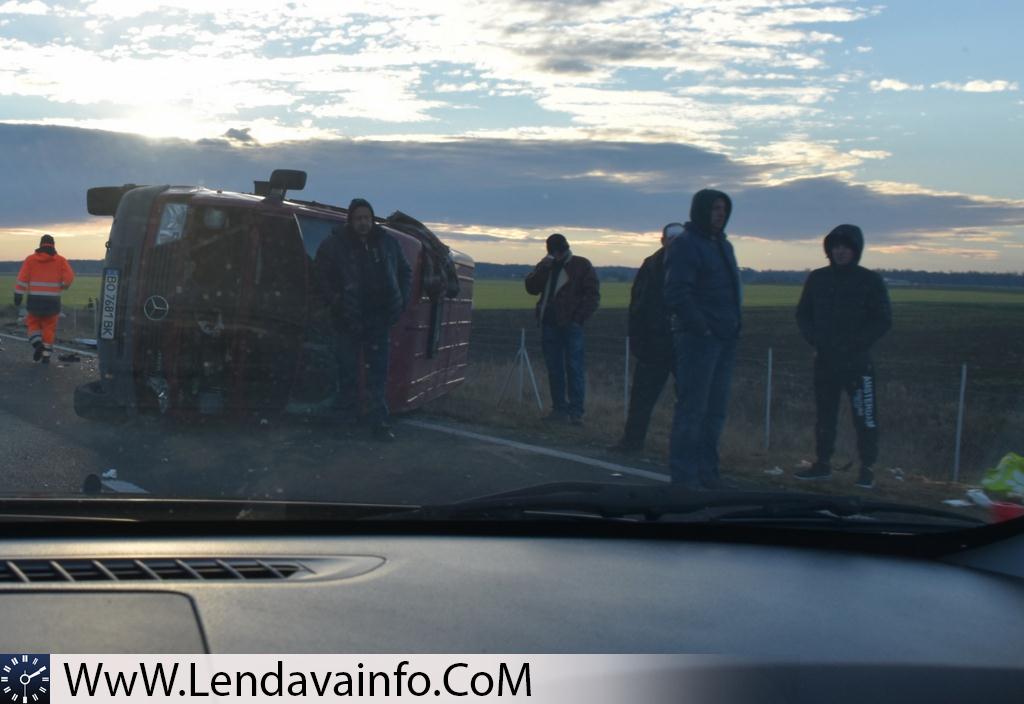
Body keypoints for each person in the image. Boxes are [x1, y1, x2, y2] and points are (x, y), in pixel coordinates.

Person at [794, 224, 892, 489]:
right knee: (825, 416)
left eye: (846, 247)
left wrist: (858, 343)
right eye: (836, 246)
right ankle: (822, 464)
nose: (840, 251)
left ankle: (867, 469)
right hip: (825, 361)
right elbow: (803, 313)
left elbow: (883, 319)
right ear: (829, 249)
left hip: (858, 364)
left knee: (865, 417)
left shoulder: (870, 281)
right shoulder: (818, 278)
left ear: (856, 250)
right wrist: (814, 338)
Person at [314, 198, 412, 441]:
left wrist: (400, 302)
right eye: (358, 218)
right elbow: (321, 277)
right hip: (347, 319)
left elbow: (405, 271)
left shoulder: (387, 243)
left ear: (372, 219)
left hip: (379, 319)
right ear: (350, 220)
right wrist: (337, 303)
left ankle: (378, 423)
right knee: (346, 372)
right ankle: (344, 422)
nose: (363, 223)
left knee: (377, 375)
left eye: (367, 218)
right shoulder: (334, 245)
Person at [664, 190, 741, 489]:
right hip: (699, 340)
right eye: (715, 209)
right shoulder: (686, 245)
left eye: (724, 209)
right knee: (692, 410)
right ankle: (684, 477)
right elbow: (676, 292)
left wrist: (734, 327)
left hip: (725, 338)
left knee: (715, 411)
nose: (720, 214)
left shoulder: (723, 245)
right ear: (701, 211)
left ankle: (708, 473)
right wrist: (702, 328)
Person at [609, 222, 685, 454]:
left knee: (688, 401)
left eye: (679, 238)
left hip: (684, 345)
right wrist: (637, 337)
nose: (674, 242)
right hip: (653, 342)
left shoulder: (693, 266)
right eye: (671, 238)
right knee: (641, 397)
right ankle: (632, 442)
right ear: (662, 240)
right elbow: (638, 305)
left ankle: (685, 449)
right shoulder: (651, 265)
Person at [524, 233, 600, 424]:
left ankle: (575, 412)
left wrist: (577, 319)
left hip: (569, 325)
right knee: (555, 368)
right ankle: (559, 410)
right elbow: (532, 288)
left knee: (573, 367)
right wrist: (543, 268)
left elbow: (592, 295)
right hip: (550, 323)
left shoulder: (581, 265)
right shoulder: (548, 266)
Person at [13, 234, 75, 365]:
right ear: (53, 245)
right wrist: (62, 286)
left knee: (33, 324)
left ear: (41, 244)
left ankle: (37, 344)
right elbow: (69, 278)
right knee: (49, 327)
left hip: (34, 300)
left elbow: (22, 279)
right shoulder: (60, 260)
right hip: (53, 301)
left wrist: (18, 295)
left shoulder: (30, 260)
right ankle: (46, 356)